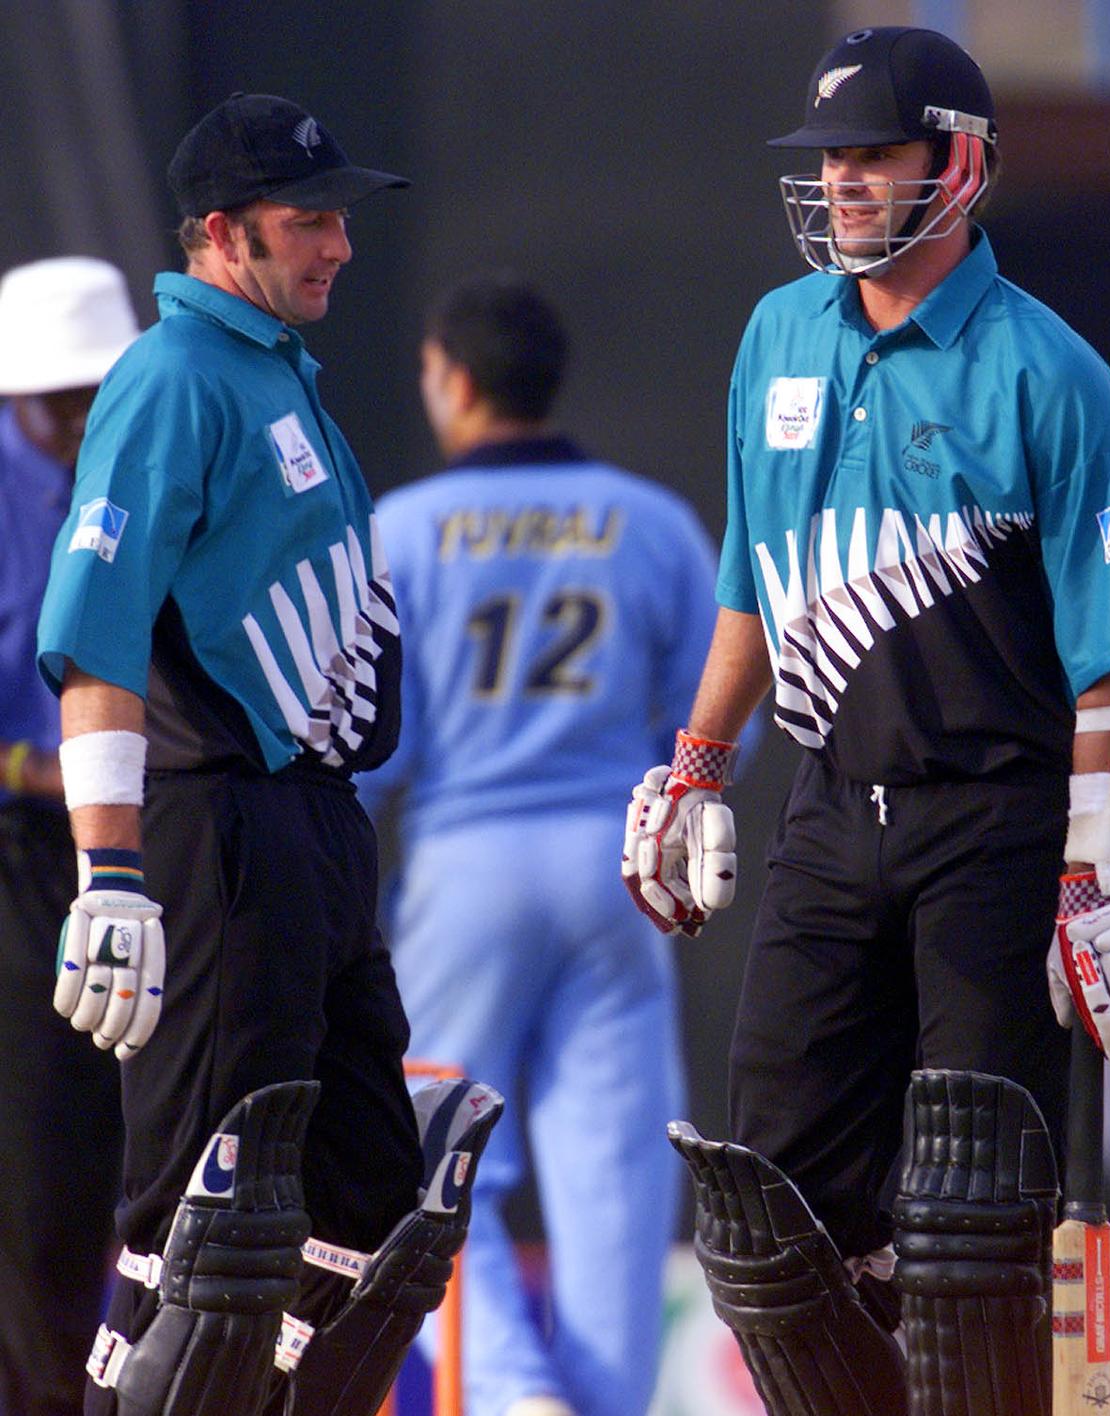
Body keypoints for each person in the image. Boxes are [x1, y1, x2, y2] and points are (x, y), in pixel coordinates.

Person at [621, 27, 1110, 1416]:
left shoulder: (1054, 375)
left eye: (874, 156)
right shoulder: (776, 335)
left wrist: (1101, 870)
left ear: (962, 163)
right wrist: (697, 769)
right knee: (773, 1202)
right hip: (825, 808)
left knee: (977, 1199)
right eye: (831, 160)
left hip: (991, 821)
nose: (845, 184)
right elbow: (753, 572)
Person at [35, 94, 500, 1416]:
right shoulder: (171, 378)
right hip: (211, 830)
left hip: (310, 826)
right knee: (194, 1211)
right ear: (225, 232)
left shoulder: (278, 370)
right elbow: (96, 637)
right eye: (310, 221)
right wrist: (110, 873)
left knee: (366, 1202)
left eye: (341, 217)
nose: (341, 246)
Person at [358, 274, 721, 1416]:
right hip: (617, 874)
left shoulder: (399, 531)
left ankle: (513, 1392)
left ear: (453, 381)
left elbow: (359, 748)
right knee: (614, 1177)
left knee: (431, 1154)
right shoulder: (653, 521)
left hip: (464, 869)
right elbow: (722, 720)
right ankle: (603, 1404)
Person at [0, 256, 138, 1416]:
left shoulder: (132, 473)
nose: (85, 422)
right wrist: (33, 767)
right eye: (62, 402)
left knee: (104, 1150)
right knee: (40, 1164)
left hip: (122, 849)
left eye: (101, 397)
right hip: (21, 853)